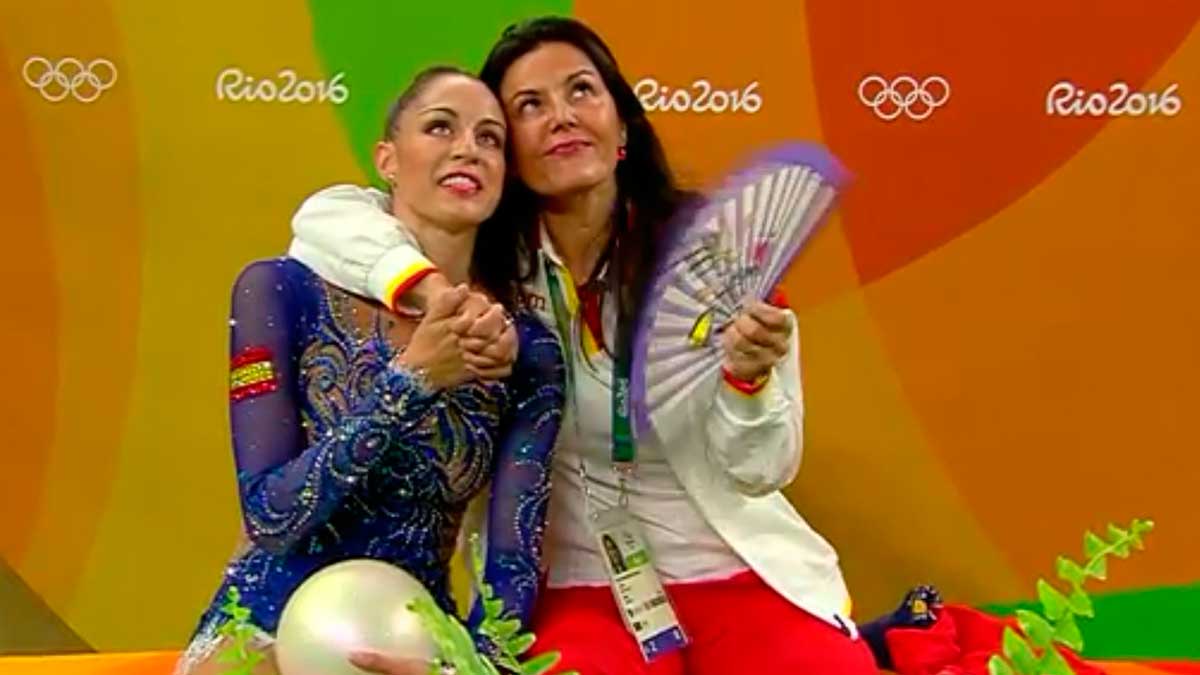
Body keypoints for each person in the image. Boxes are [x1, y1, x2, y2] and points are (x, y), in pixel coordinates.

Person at [288, 17, 876, 675]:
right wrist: (430, 292)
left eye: (581, 92)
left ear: (622, 126)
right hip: (573, 584)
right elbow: (325, 218)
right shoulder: (482, 261)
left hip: (733, 566)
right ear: (507, 154)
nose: (562, 116)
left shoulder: (716, 256)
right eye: (529, 107)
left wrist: (747, 381)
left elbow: (763, 466)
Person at [177, 65, 564, 675]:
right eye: (441, 127)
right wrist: (413, 380)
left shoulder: (524, 347)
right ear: (387, 158)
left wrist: (472, 668)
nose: (468, 147)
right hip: (261, 636)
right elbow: (274, 515)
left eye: (490, 139)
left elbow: (512, 556)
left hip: (410, 648)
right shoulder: (280, 290)